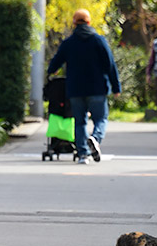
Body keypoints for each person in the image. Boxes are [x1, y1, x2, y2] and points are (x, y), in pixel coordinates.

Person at [47, 9, 121, 164]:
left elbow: (56, 62)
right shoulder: (98, 40)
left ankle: (83, 154)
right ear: (89, 22)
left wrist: (51, 71)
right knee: (101, 118)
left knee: (79, 121)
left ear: (74, 23)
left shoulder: (69, 43)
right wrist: (116, 87)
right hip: (97, 88)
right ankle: (95, 138)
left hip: (75, 89)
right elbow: (110, 65)